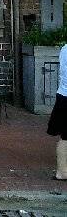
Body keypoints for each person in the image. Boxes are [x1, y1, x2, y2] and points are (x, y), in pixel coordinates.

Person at [47, 43, 67, 180]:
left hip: (63, 95)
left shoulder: (65, 48)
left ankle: (62, 171)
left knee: (65, 137)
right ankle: (62, 172)